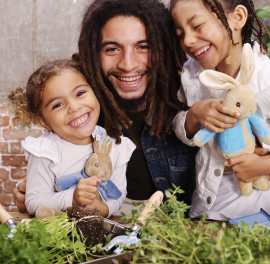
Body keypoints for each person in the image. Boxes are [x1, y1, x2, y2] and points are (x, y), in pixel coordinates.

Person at [13, 0, 198, 215]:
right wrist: (39, 192)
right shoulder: (82, 95)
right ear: (93, 53)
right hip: (104, 218)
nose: (128, 65)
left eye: (143, 47)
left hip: (177, 222)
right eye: (112, 48)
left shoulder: (189, 91)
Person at [170, 0, 270, 220]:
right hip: (206, 209)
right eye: (180, 34)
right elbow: (179, 126)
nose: (188, 41)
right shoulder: (192, 78)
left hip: (261, 211)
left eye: (197, 26)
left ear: (237, 18)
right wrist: (194, 116)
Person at [8, 59, 136, 217]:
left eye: (80, 93)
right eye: (57, 105)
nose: (74, 107)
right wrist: (72, 198)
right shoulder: (46, 151)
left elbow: (118, 194)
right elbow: (33, 201)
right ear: (43, 121)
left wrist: (105, 209)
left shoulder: (114, 145)